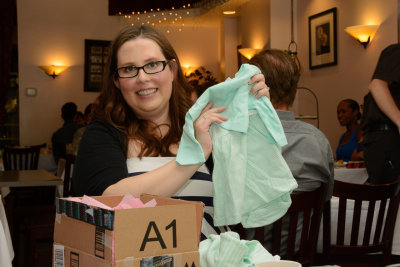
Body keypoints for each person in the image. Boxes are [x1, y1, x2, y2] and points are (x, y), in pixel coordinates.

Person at [72, 25, 269, 239]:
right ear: (117, 81)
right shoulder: (101, 134)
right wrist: (194, 156)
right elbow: (106, 203)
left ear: (172, 70)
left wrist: (254, 117)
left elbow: (253, 194)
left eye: (153, 64)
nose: (143, 78)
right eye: (129, 69)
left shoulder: (206, 125)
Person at [248, 48, 334, 254]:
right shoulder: (318, 141)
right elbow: (326, 198)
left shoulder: (235, 141)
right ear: (295, 90)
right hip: (299, 257)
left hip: (246, 258)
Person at [360, 44, 400, 184]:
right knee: (386, 199)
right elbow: (377, 85)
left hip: (389, 137)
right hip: (387, 138)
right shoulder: (397, 51)